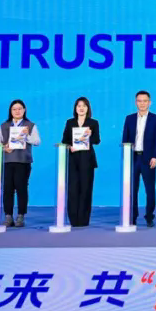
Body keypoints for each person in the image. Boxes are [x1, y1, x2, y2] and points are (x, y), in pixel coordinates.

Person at [0, 99, 41, 228]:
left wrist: (26, 136)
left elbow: (37, 141)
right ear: (10, 111)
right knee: (7, 189)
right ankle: (8, 216)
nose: (17, 111)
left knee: (21, 188)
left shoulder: (30, 125)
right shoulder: (4, 126)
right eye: (14, 109)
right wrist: (4, 147)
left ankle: (21, 216)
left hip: (23, 161)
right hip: (8, 161)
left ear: (24, 110)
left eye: (20, 109)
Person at [121, 91, 156, 227]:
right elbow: (125, 139)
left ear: (149, 102)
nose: (142, 103)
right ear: (135, 103)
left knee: (150, 189)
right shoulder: (129, 119)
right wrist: (126, 157)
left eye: (145, 101)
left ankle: (149, 216)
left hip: (148, 159)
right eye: (139, 101)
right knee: (132, 190)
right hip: (133, 158)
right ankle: (132, 217)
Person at [62, 96, 101, 227]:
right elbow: (65, 140)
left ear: (88, 108)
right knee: (73, 189)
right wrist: (70, 146)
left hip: (87, 160)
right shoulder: (70, 122)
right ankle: (73, 219)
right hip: (73, 159)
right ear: (75, 108)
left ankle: (84, 219)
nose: (81, 108)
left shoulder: (93, 123)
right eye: (79, 106)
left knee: (86, 189)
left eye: (84, 106)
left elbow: (97, 140)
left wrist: (90, 135)